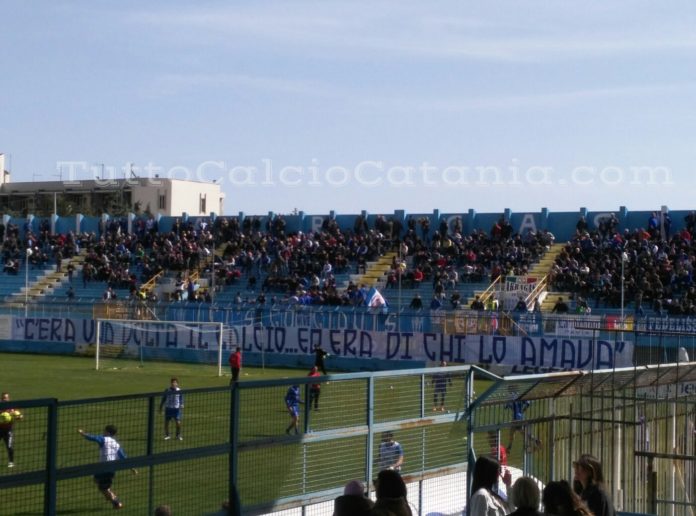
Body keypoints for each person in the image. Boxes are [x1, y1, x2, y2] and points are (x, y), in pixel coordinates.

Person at [78, 424, 136, 510]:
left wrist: (83, 433)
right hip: (111, 469)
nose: (103, 432)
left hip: (104, 468)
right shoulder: (116, 444)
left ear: (108, 432)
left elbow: (93, 438)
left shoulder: (104, 439)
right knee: (97, 480)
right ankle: (109, 495)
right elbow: (123, 457)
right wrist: (132, 468)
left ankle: (116, 502)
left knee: (103, 488)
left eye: (104, 431)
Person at [0, 392, 23, 468]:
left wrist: (18, 416)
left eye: (7, 398)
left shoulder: (12, 408)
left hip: (8, 431)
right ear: (1, 399)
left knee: (9, 446)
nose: (5, 400)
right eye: (4, 398)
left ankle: (11, 462)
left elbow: (20, 416)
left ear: (9, 399)